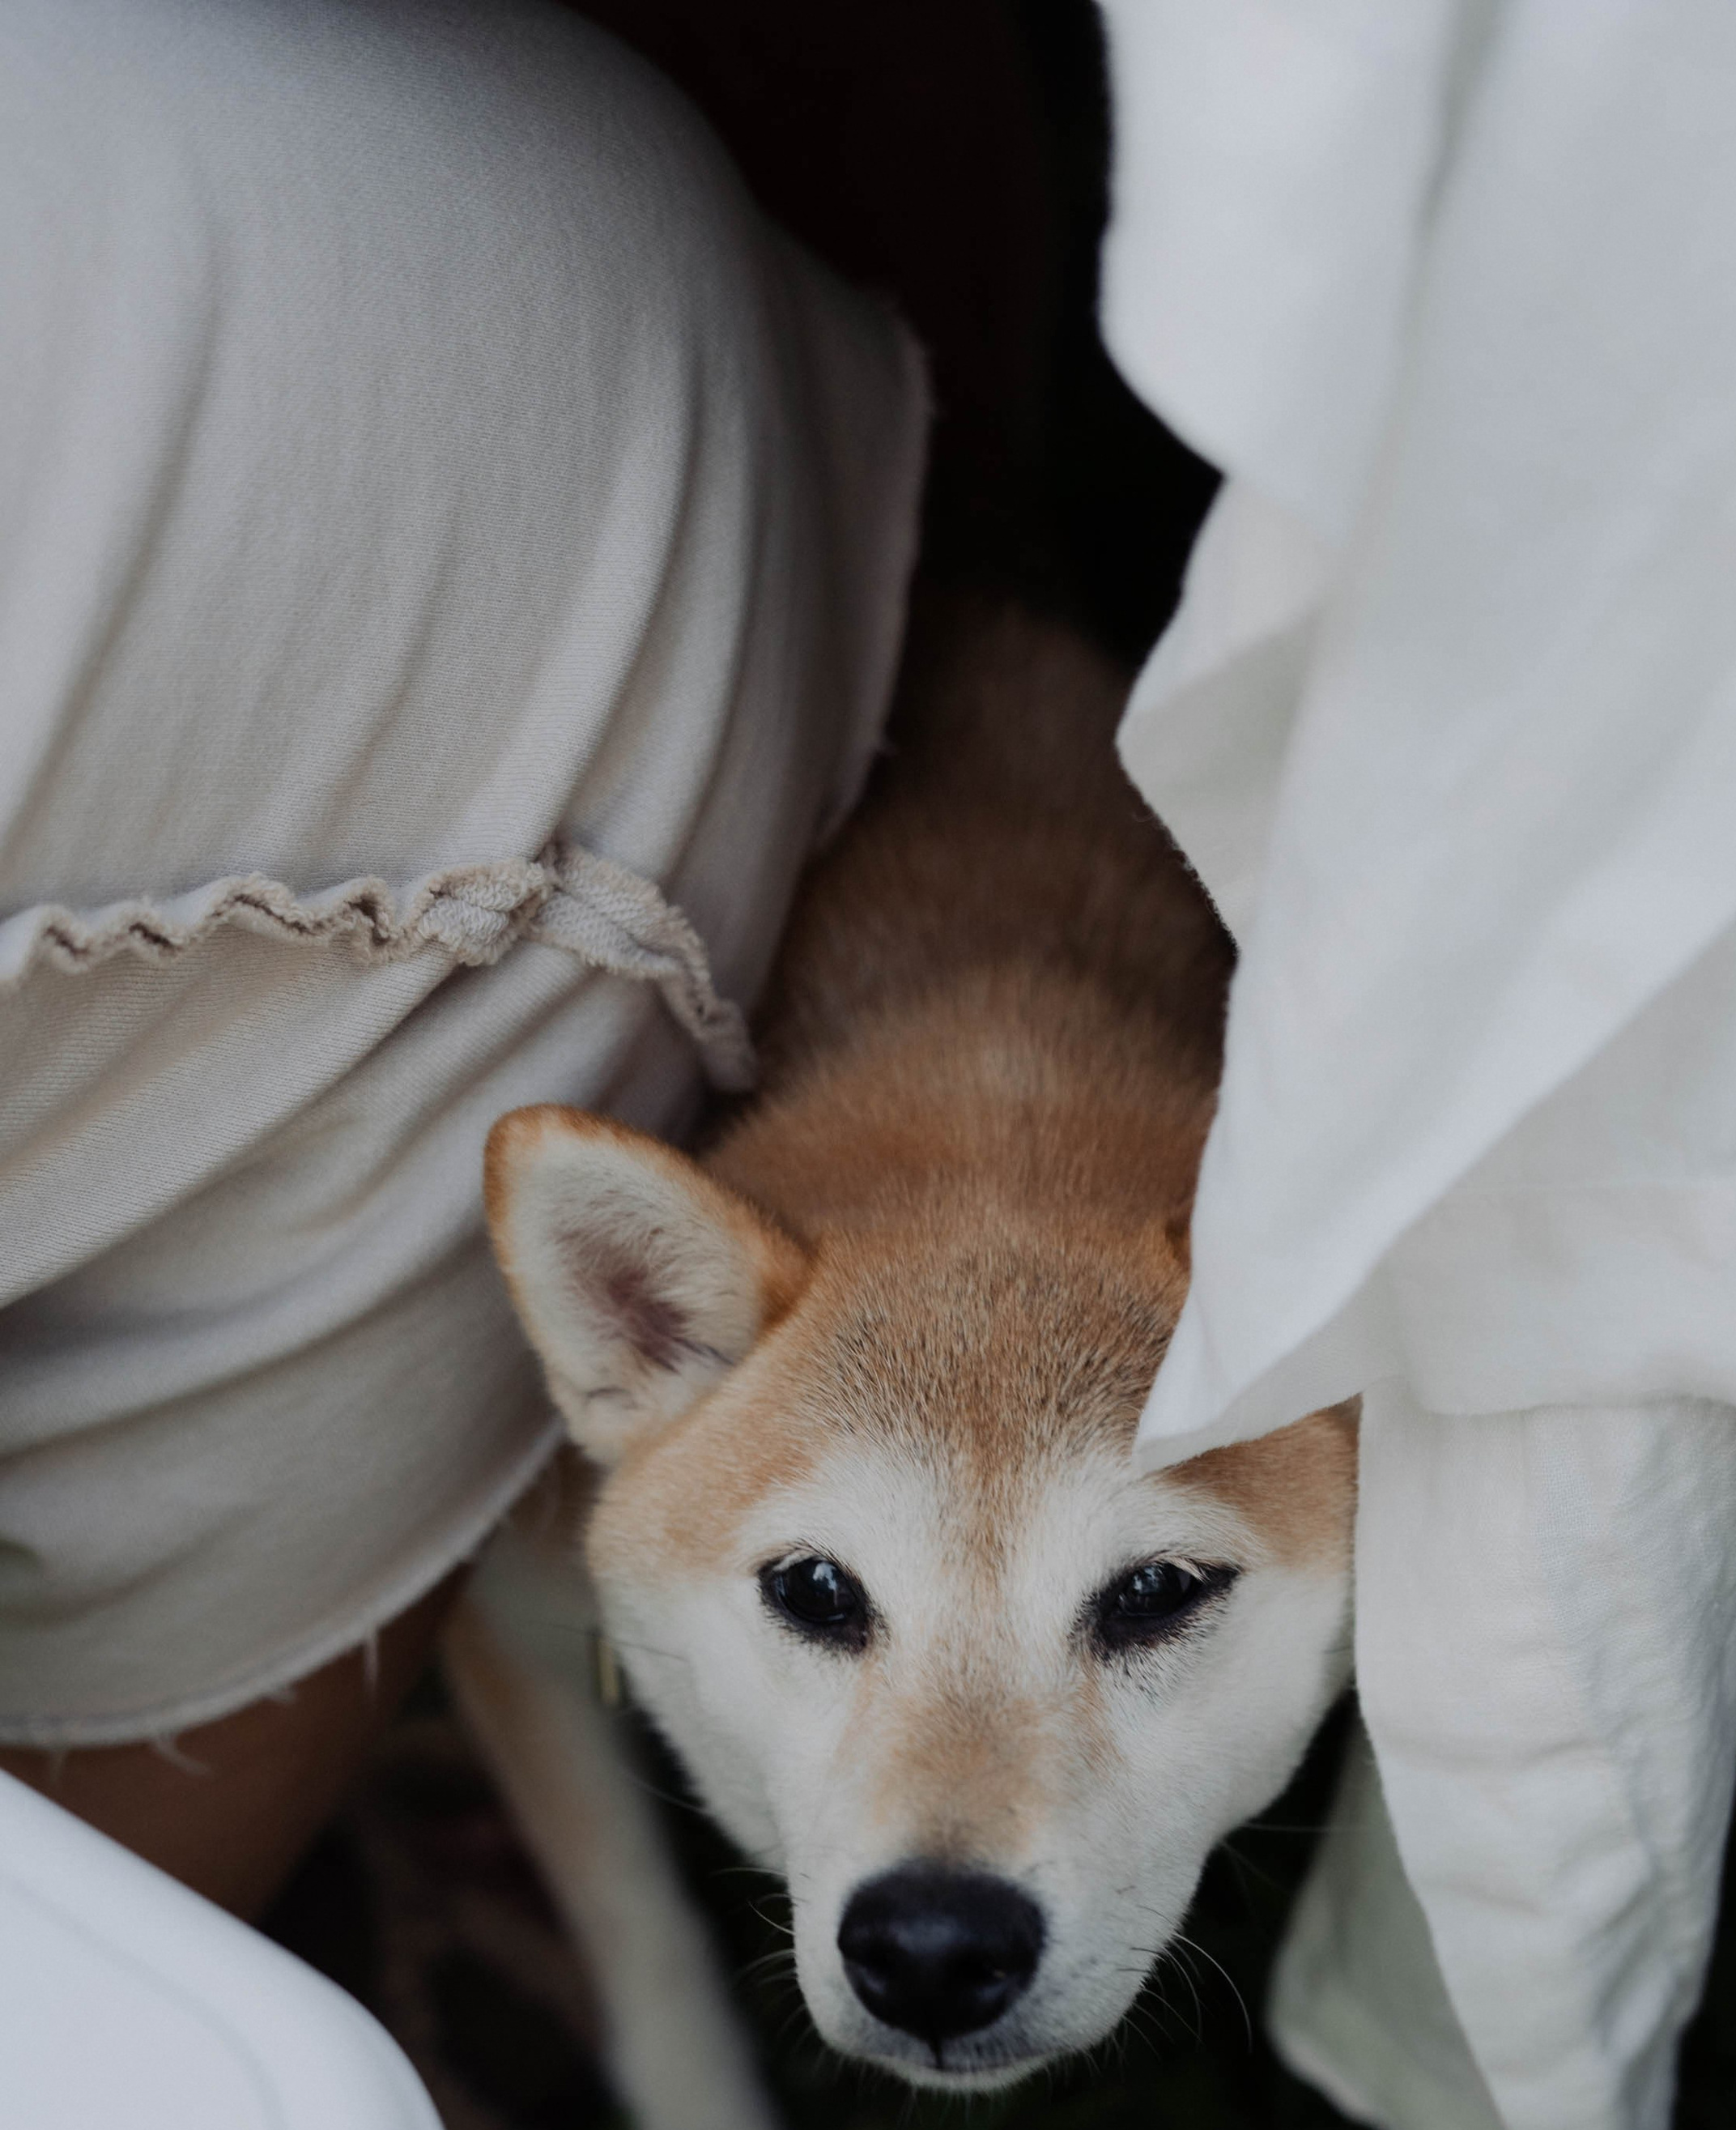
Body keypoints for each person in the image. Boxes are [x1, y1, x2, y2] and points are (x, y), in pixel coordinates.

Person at [0, 0, 1052, 1918]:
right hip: (335, 193)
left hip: (508, 577)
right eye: (816, 1598)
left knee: (134, 1846)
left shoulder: (504, 872)